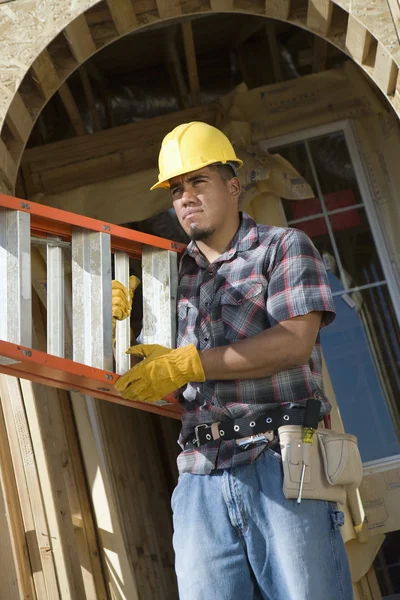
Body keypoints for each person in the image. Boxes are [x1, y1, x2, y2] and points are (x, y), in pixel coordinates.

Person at [113, 122, 353, 600]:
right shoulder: (167, 276)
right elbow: (143, 380)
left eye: (198, 181)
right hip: (200, 475)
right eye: (176, 189)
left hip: (281, 460)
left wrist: (190, 364)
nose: (186, 197)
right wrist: (114, 322)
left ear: (233, 185)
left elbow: (291, 344)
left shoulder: (283, 247)